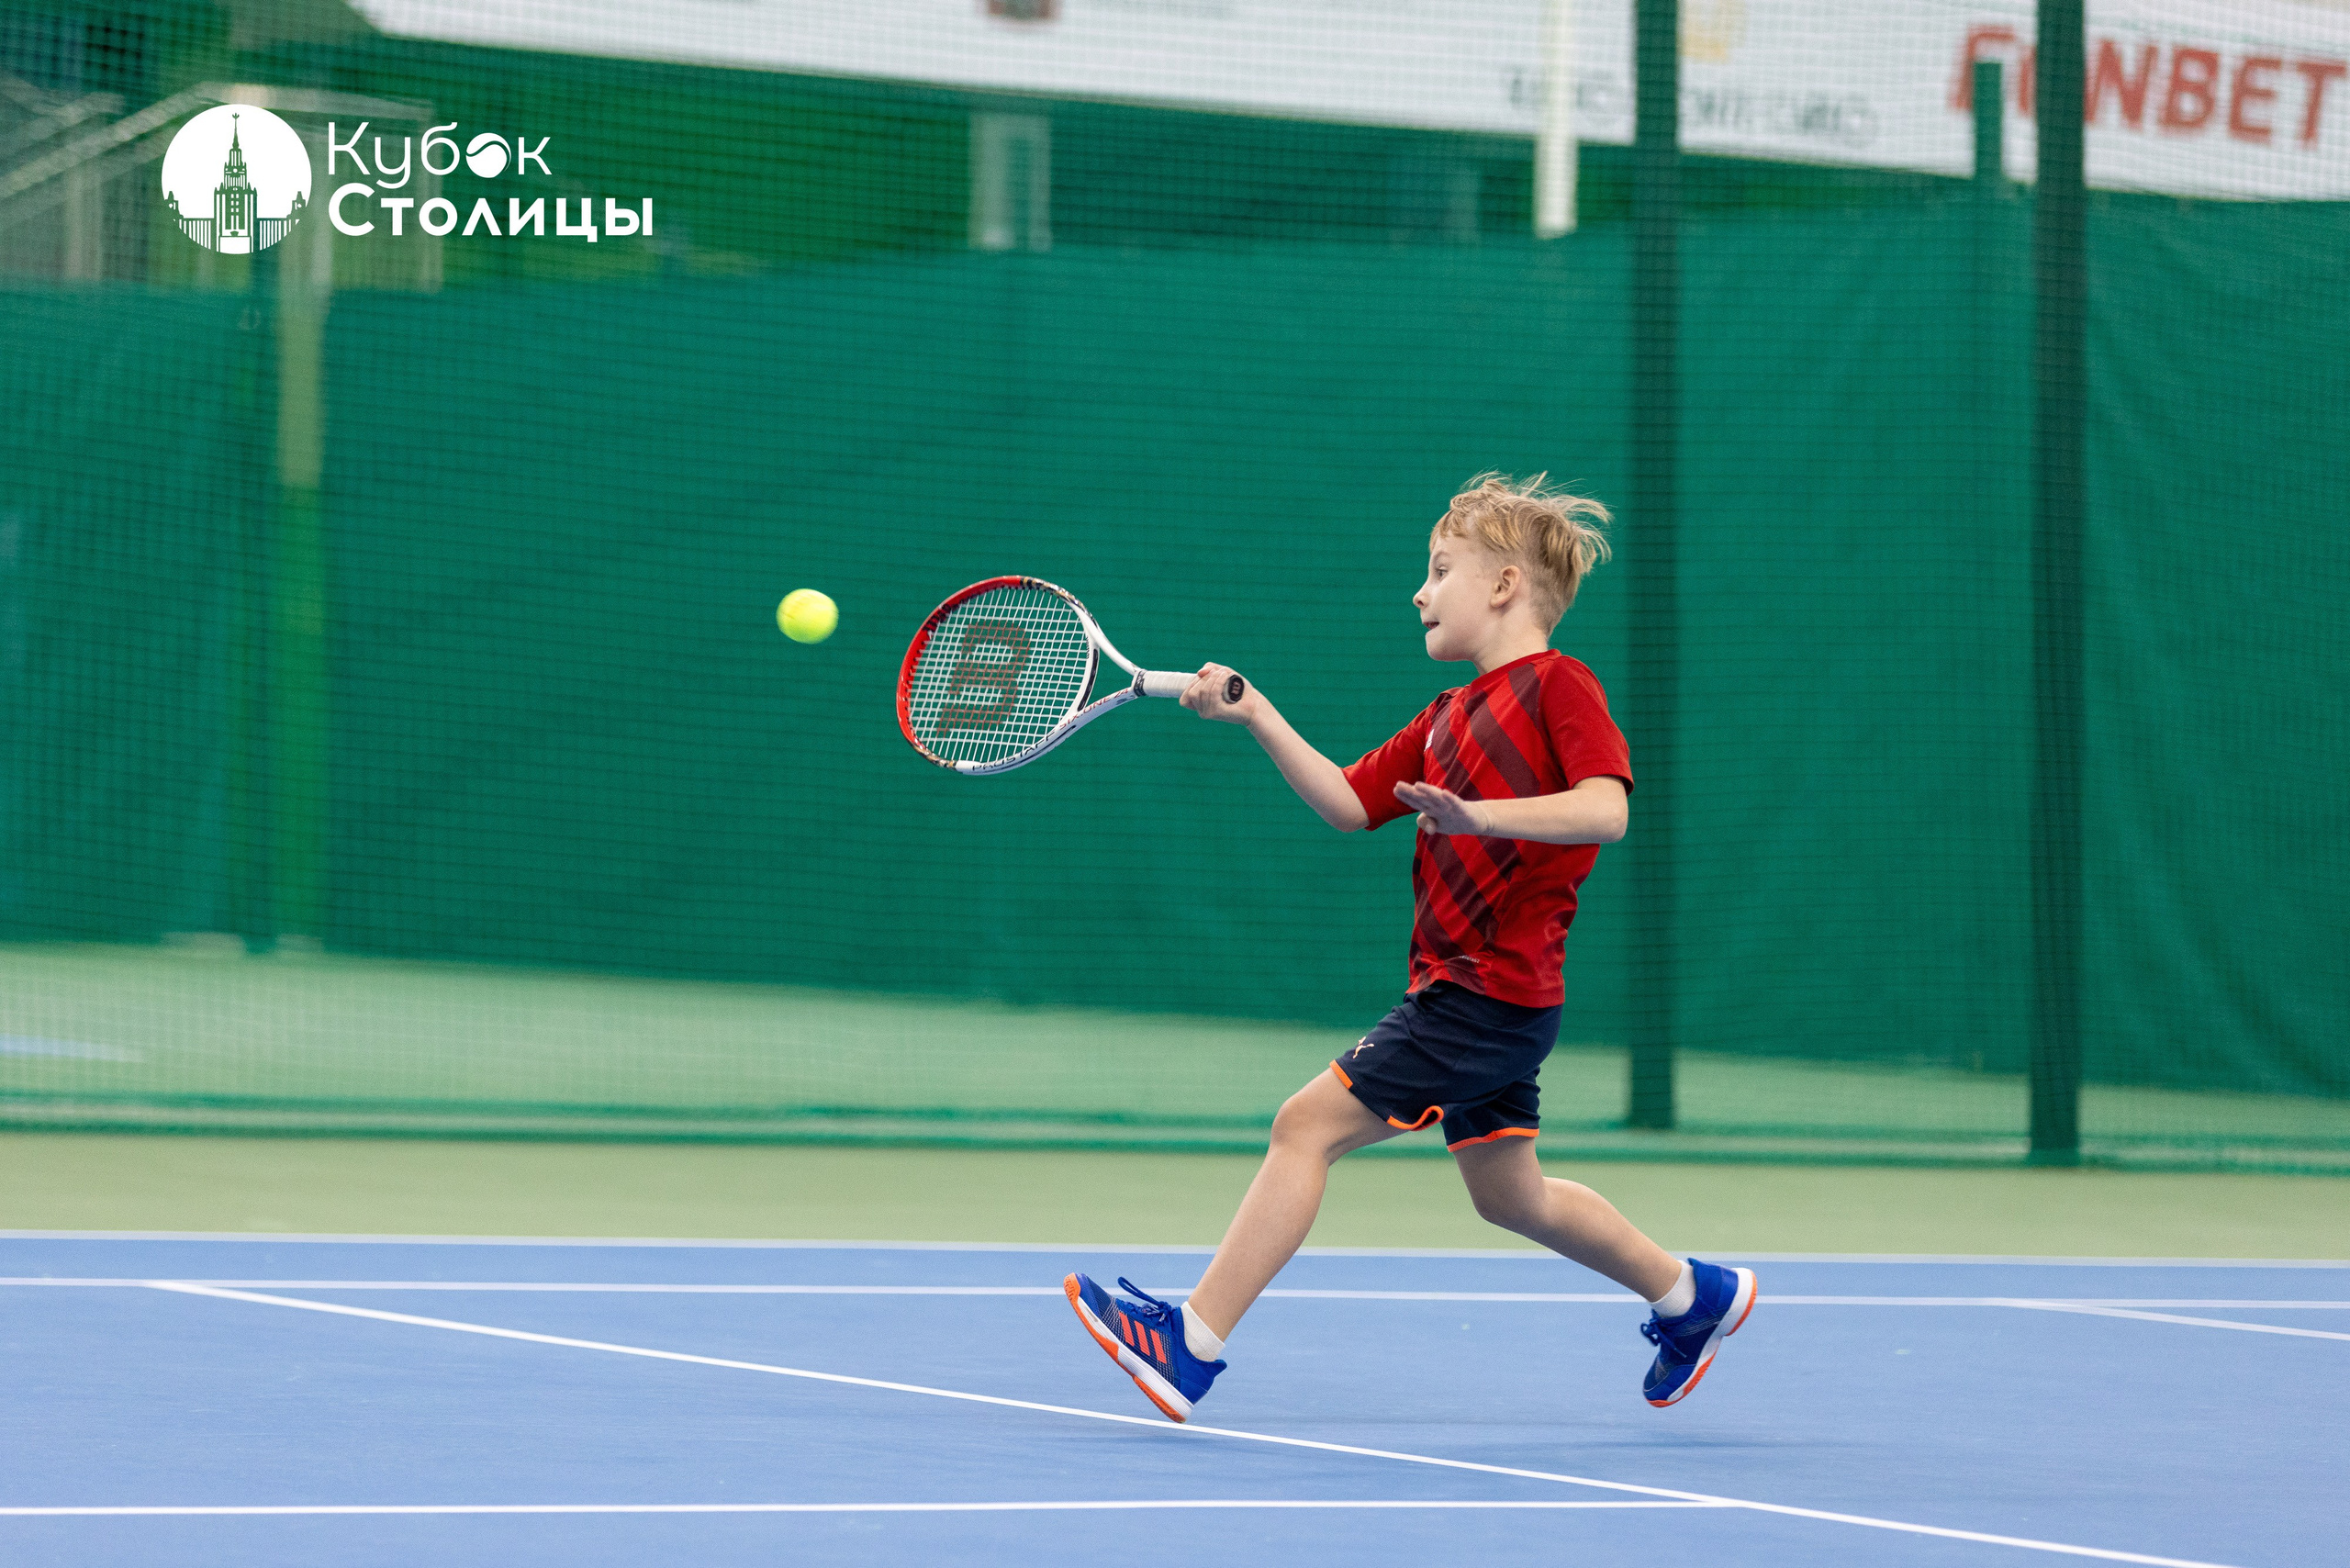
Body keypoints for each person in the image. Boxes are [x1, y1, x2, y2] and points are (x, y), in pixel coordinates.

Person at [1064, 473, 1756, 1423]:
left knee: (1304, 1127)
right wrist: (1257, 714)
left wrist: (1478, 815)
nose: (1420, 591)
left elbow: (1608, 810)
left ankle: (1188, 1344)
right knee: (1511, 1196)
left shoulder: (1561, 685)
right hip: (1488, 1002)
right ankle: (1692, 1297)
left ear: (1504, 586)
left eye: (1439, 571)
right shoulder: (1443, 718)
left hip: (1484, 997)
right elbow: (1353, 803)